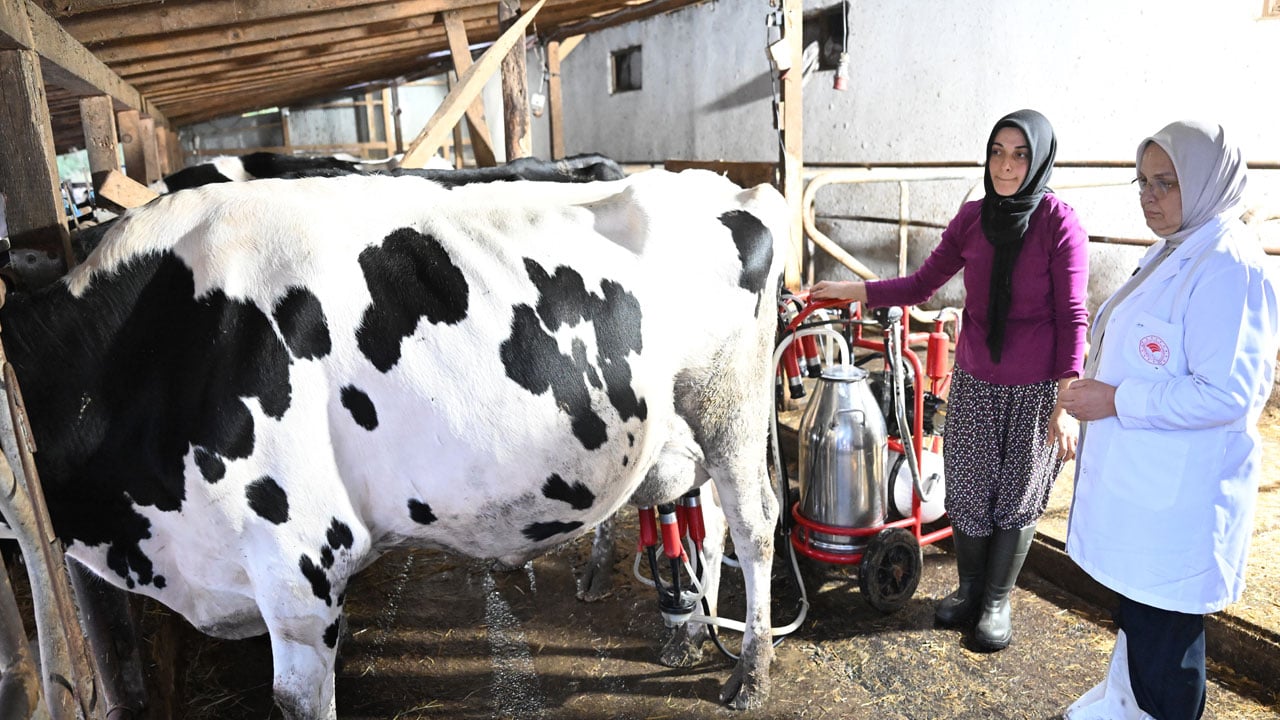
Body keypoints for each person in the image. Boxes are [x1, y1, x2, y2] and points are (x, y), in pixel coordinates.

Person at [809, 109, 1089, 651]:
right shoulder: (973, 219)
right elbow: (921, 285)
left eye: (1020, 155)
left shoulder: (1060, 224)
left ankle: (996, 601)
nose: (1005, 166)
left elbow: (1074, 315)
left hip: (1035, 389)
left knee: (1018, 493)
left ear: (1038, 161)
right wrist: (853, 291)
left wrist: (1067, 400)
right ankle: (968, 590)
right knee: (966, 488)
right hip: (976, 379)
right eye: (997, 152)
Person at [1060, 121, 1279, 720]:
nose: (1148, 196)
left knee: (1167, 643)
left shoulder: (1230, 266)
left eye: (1167, 182)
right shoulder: (1175, 248)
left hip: (1179, 504)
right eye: (1143, 181)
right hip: (1147, 491)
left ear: (1207, 182)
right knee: (1141, 619)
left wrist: (1116, 399)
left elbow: (1227, 393)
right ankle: (1124, 702)